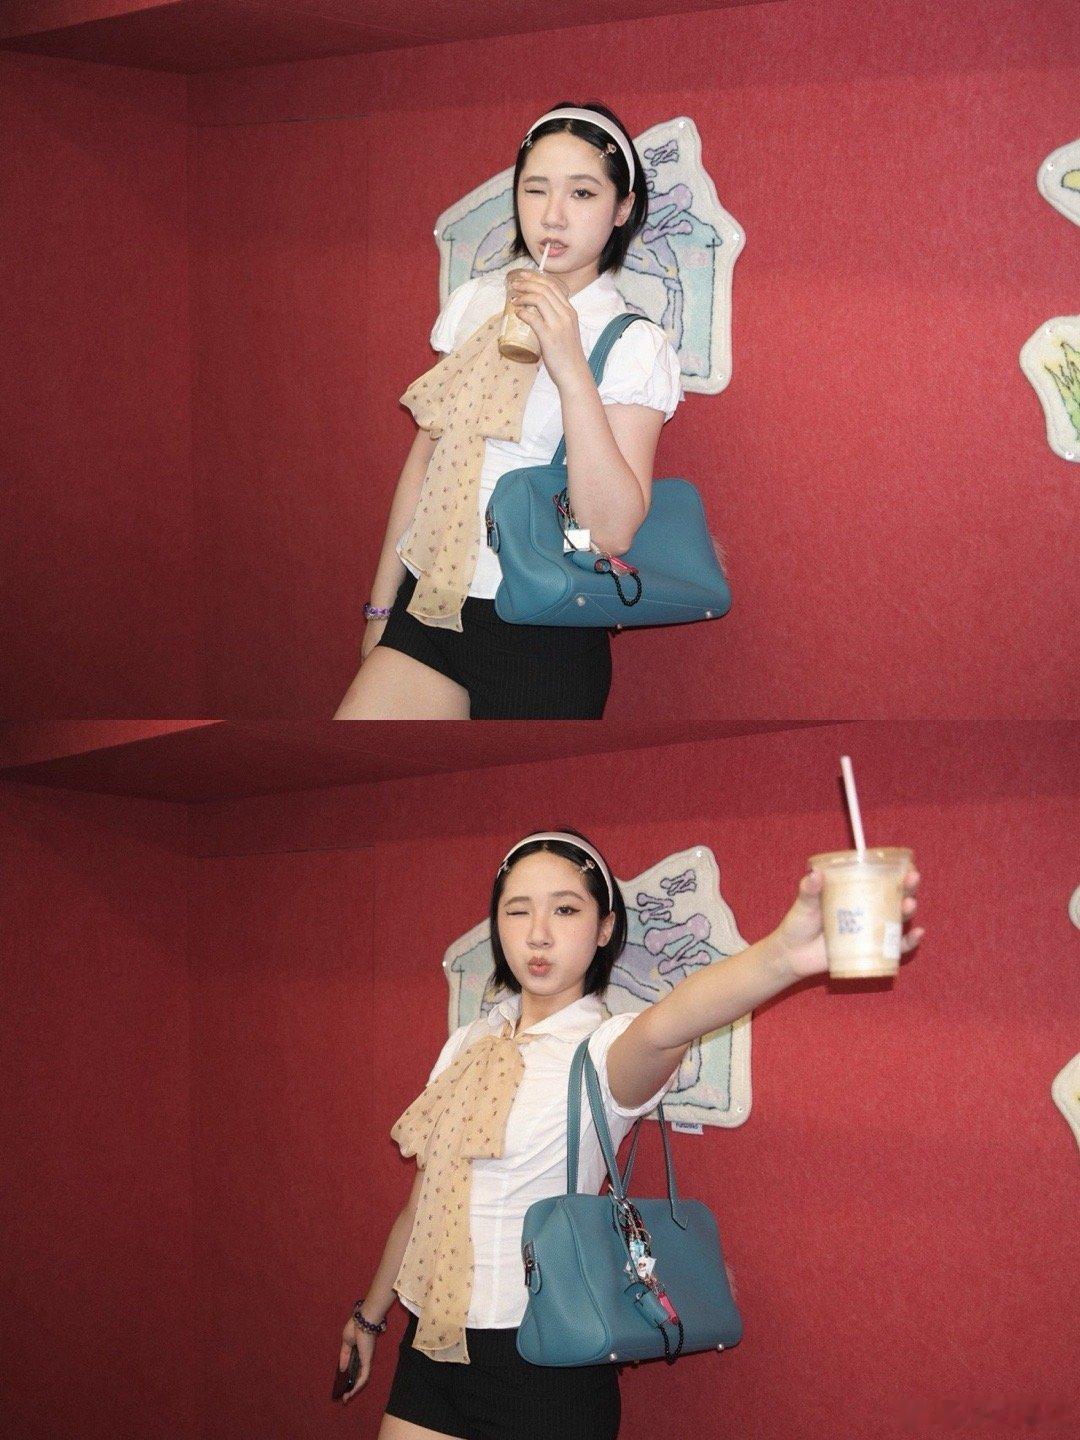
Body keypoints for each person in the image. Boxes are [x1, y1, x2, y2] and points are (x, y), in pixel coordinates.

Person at [334, 829, 922, 1438]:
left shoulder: (603, 1048)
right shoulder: (468, 1044)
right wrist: (371, 1317)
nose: (538, 934)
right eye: (518, 911)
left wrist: (782, 957)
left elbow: (670, 1024)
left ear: (605, 927)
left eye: (566, 909)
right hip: (432, 1341)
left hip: (545, 1355)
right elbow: (423, 1204)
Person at [334, 101, 685, 720]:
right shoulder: (475, 301)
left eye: (582, 193)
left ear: (622, 208)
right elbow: (424, 466)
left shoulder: (635, 343)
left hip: (543, 625)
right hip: (428, 602)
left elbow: (612, 531)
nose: (553, 215)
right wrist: (381, 609)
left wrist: (570, 363)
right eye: (535, 189)